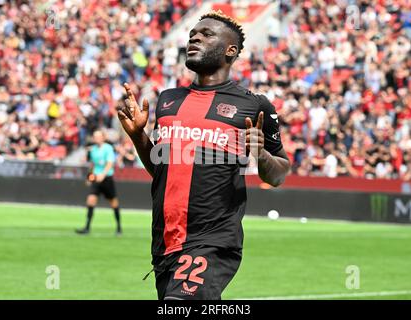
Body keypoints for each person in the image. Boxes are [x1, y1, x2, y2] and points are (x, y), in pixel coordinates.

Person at [116, 11, 290, 300]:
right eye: (192, 34)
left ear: (230, 50)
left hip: (212, 239)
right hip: (165, 239)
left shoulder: (253, 105)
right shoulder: (169, 100)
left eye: (206, 34)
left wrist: (260, 154)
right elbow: (162, 168)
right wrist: (138, 136)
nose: (194, 37)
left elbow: (279, 174)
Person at [75, 129, 122, 235]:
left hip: (107, 178)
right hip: (96, 178)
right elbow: (92, 164)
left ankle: (119, 227)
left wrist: (103, 174)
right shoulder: (93, 149)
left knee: (113, 202)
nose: (96, 138)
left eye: (98, 136)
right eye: (95, 137)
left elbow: (110, 163)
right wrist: (89, 177)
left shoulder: (108, 148)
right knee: (90, 200)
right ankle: (87, 228)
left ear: (103, 137)